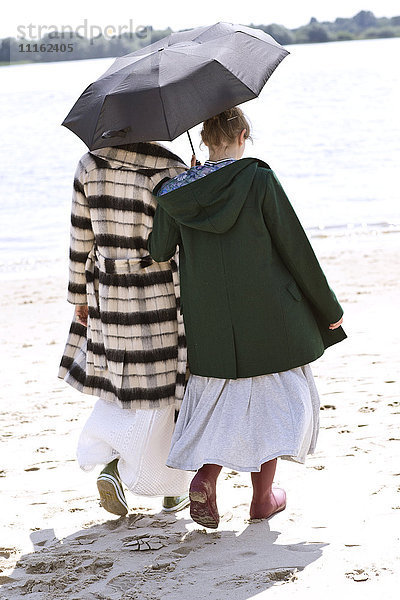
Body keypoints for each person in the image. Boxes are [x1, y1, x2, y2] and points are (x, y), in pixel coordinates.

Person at [148, 107, 346, 529]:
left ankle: (205, 476)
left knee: (222, 403)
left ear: (204, 139)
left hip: (211, 326)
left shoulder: (175, 191)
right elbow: (296, 249)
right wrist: (329, 310)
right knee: (273, 406)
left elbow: (160, 250)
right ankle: (262, 500)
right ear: (242, 134)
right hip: (271, 320)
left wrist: (187, 188)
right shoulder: (258, 179)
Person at [59, 141, 193, 516]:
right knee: (165, 388)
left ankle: (127, 470)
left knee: (119, 384)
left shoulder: (88, 164)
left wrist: (78, 297)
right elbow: (184, 240)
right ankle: (138, 476)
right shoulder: (170, 170)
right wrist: (194, 180)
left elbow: (79, 237)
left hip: (107, 290)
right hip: (159, 291)